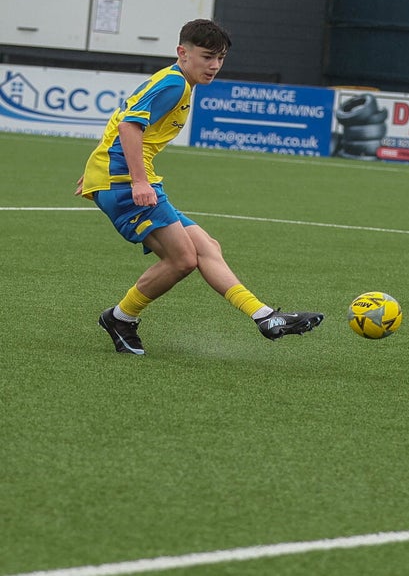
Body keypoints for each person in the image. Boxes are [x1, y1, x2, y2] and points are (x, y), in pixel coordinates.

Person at [76, 19, 323, 355]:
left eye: (220, 58)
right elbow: (129, 126)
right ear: (183, 52)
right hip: (124, 180)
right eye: (207, 57)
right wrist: (134, 180)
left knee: (207, 246)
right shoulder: (174, 84)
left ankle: (265, 316)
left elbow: (121, 120)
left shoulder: (177, 82)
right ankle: (120, 319)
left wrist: (97, 168)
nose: (214, 65)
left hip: (116, 175)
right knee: (181, 259)